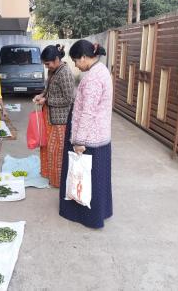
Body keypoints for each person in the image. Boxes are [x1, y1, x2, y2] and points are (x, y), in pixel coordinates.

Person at [59, 40, 112, 229]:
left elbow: (88, 112)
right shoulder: (101, 71)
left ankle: (88, 216)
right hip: (100, 136)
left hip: (89, 137)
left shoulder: (92, 79)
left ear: (84, 57)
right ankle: (101, 211)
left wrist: (79, 141)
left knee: (84, 177)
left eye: (75, 61)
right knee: (98, 178)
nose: (75, 65)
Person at [33, 45, 74, 188]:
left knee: (57, 152)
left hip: (60, 121)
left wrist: (47, 101)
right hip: (50, 117)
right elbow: (48, 89)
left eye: (47, 64)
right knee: (48, 149)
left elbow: (69, 99)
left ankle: (58, 182)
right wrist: (41, 95)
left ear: (56, 59)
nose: (46, 67)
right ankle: (49, 175)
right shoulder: (53, 71)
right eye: (45, 64)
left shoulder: (65, 73)